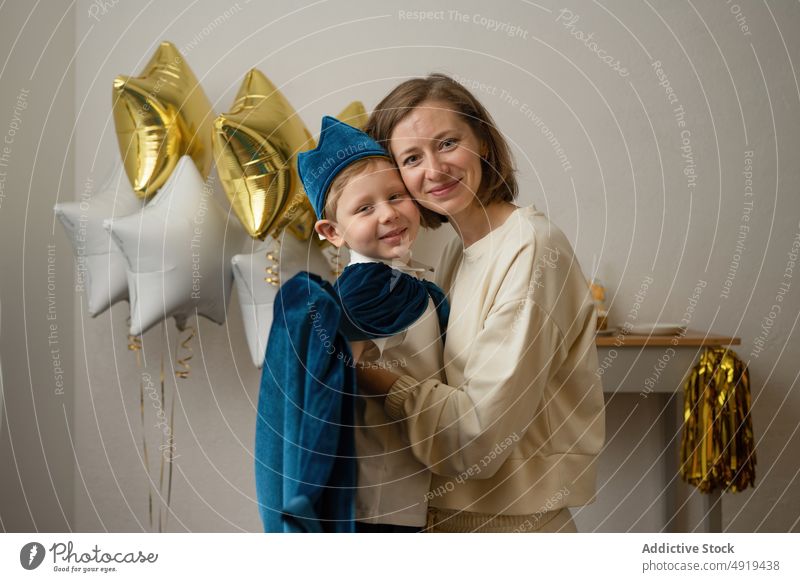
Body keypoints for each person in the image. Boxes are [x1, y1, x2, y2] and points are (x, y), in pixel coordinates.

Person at [359, 74, 606, 533]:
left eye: (447, 143)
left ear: (483, 144)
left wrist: (376, 378)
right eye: (412, 158)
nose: (434, 170)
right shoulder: (459, 250)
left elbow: (477, 438)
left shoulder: (532, 248)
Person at [297, 116, 449, 532]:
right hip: (380, 492)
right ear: (332, 232)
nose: (388, 214)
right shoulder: (363, 292)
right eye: (365, 208)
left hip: (414, 477)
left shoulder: (405, 277)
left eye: (396, 196)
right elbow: (332, 378)